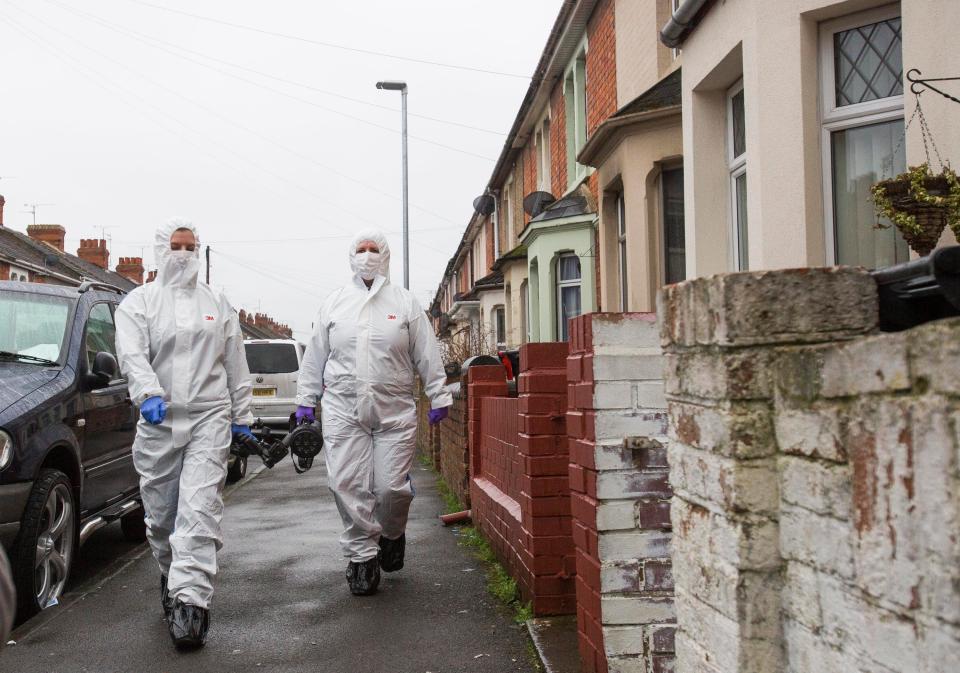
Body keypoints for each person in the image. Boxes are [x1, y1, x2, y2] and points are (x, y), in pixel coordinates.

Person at [115, 218, 254, 648]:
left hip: (208, 416)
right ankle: (169, 572)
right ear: (161, 249)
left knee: (197, 510)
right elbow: (131, 353)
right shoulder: (138, 303)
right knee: (161, 518)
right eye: (176, 245)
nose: (184, 253)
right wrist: (148, 392)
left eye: (191, 245)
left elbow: (235, 359)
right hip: (159, 421)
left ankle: (191, 603)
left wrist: (241, 413)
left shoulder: (216, 302)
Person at [296, 229, 451, 596]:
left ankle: (392, 533)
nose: (367, 255)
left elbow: (426, 353)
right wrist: (306, 398)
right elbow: (316, 354)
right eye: (361, 249)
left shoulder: (405, 303)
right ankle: (362, 557)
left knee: (391, 487)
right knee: (345, 484)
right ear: (351, 256)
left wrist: (438, 394)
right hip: (343, 408)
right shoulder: (334, 303)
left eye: (374, 249)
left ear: (385, 256)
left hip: (394, 408)